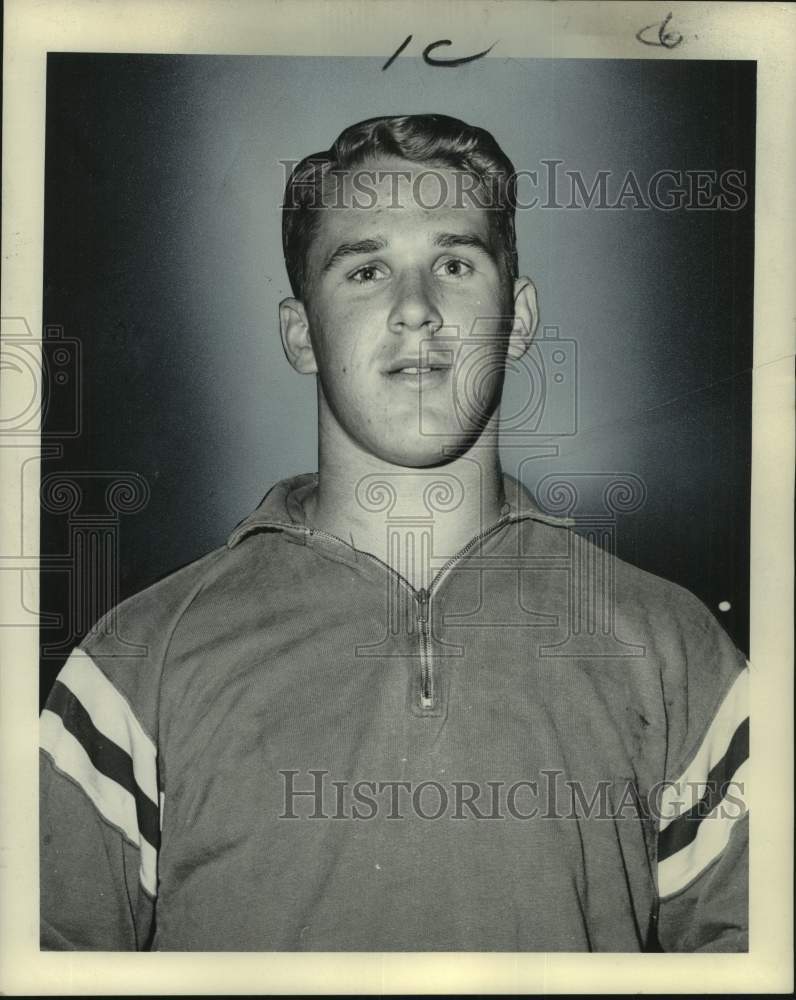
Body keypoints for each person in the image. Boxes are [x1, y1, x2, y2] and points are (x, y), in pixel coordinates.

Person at [39, 114, 749, 951]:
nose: (417, 310)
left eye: (454, 263)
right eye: (366, 269)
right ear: (300, 333)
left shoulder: (676, 655)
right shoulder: (131, 666)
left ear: (518, 320)